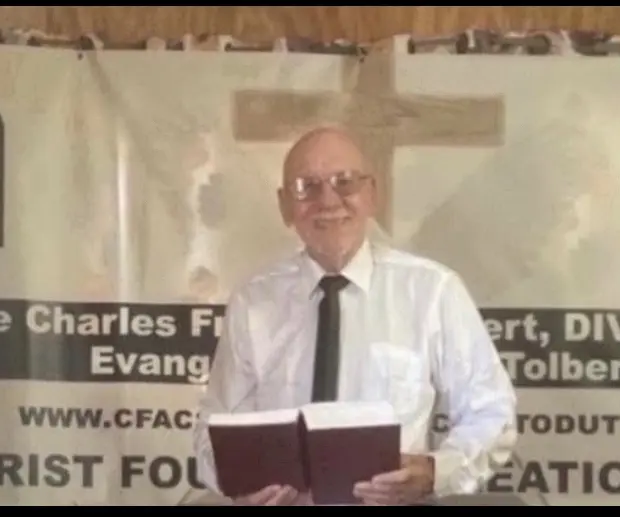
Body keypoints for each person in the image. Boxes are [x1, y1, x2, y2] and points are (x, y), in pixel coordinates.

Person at [192, 126, 518, 506]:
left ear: (372, 195)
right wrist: (237, 483)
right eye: (307, 187)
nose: (328, 201)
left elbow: (493, 413)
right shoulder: (253, 302)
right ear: (284, 205)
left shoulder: (433, 292)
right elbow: (211, 431)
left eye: (345, 183)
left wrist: (435, 471)